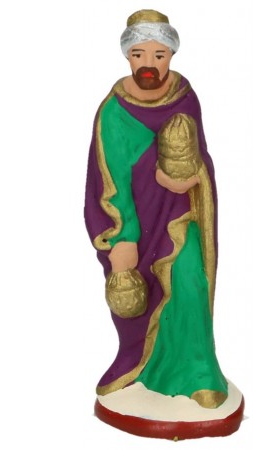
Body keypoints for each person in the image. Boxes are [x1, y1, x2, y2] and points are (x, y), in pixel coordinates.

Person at [84, 9, 228, 409]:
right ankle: (138, 364)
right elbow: (105, 178)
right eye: (139, 54)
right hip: (133, 225)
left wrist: (190, 174)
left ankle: (198, 373)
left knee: (190, 282)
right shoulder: (113, 111)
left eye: (159, 55)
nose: (149, 63)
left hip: (180, 216)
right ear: (127, 57)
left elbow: (197, 154)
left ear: (171, 56)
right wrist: (122, 238)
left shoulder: (185, 97)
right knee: (136, 298)